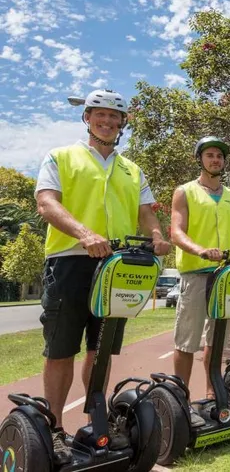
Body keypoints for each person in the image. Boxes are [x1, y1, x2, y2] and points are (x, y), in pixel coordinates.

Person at [35, 89, 171, 463]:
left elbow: (146, 212)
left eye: (114, 116)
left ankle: (97, 423)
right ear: (87, 118)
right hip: (70, 261)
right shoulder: (61, 156)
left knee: (102, 348)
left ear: (122, 123)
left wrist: (157, 236)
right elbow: (46, 202)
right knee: (61, 349)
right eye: (101, 115)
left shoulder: (132, 169)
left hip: (117, 266)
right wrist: (85, 234)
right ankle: (54, 428)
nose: (107, 121)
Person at [170, 136, 230, 426]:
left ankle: (213, 394)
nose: (215, 160)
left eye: (220, 156)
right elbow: (176, 231)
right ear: (199, 159)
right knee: (187, 340)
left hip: (226, 275)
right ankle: (181, 399)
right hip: (197, 272)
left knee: (217, 339)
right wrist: (200, 249)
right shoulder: (184, 192)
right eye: (210, 155)